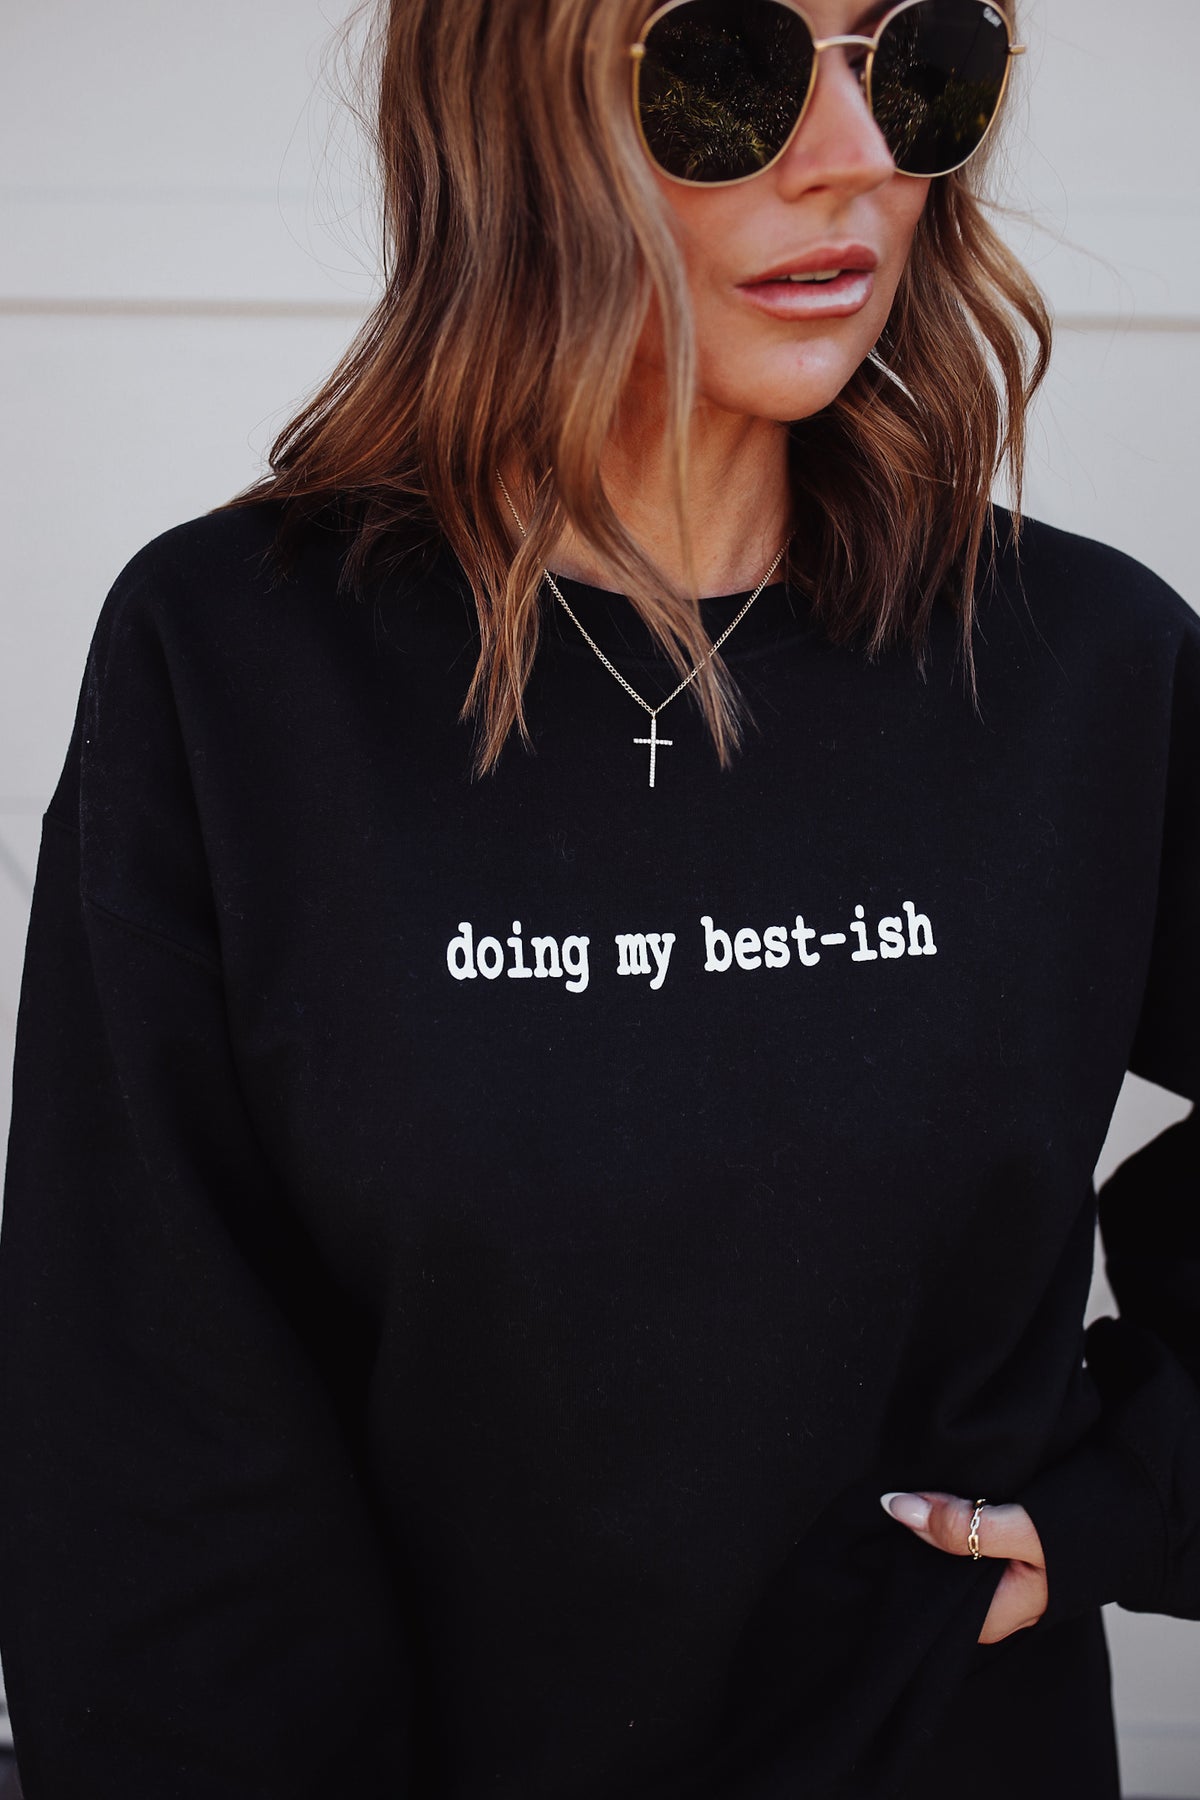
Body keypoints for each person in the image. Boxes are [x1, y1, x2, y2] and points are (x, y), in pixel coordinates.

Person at [0, 0, 1197, 1794]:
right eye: (735, 67)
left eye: (918, 59)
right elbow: (141, 1413)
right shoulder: (235, 664)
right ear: (510, 114)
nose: (858, 157)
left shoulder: (1077, 666)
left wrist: (1137, 1490)